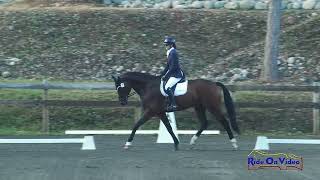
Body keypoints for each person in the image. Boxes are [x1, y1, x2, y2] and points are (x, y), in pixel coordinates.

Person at [160, 36, 185, 112]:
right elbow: (168, 66)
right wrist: (162, 74)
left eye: (167, 45)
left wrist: (166, 76)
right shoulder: (170, 52)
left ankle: (174, 104)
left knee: (167, 87)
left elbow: (173, 67)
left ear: (171, 45)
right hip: (172, 73)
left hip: (176, 74)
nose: (165, 46)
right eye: (165, 44)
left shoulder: (173, 53)